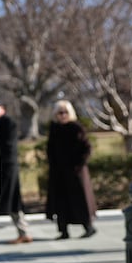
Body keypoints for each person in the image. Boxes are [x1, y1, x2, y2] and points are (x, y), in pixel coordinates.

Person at [45, 100, 97, 239]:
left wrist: (79, 164)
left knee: (80, 200)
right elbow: (50, 149)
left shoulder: (76, 127)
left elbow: (86, 148)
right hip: (59, 173)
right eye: (60, 112)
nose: (62, 115)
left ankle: (88, 226)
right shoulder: (54, 129)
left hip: (76, 172)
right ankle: (63, 230)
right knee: (61, 202)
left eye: (65, 112)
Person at [0, 98, 33, 244]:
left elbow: (8, 147)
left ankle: (23, 232)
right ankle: (23, 231)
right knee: (10, 201)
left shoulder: (8, 124)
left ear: (3, 109)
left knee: (11, 200)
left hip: (7, 167)